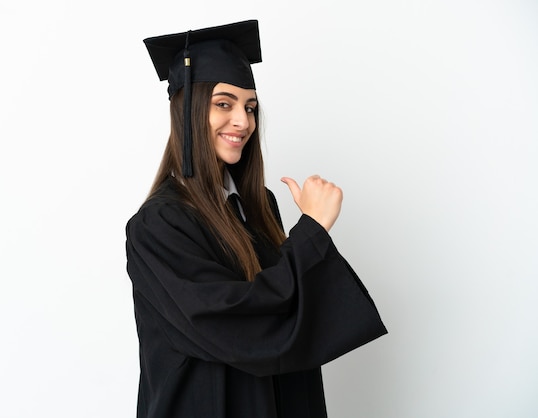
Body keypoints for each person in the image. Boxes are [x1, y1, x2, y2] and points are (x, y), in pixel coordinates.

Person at [125, 20, 387, 418]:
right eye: (224, 104)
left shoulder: (258, 205)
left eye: (250, 107)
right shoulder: (159, 225)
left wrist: (306, 236)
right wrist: (312, 233)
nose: (244, 122)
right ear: (188, 111)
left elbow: (287, 317)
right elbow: (237, 325)